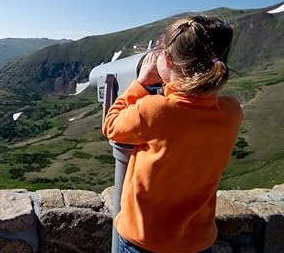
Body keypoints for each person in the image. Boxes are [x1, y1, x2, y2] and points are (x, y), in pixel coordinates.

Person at [103, 16, 243, 253]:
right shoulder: (231, 111)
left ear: (167, 59)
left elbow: (111, 124)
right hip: (197, 241)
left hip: (145, 240)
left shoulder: (154, 109)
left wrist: (140, 83)